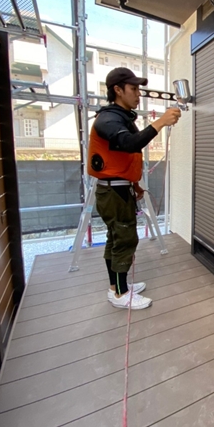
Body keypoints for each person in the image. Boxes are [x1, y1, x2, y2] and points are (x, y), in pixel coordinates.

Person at [87, 67, 181, 310]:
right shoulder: (108, 119)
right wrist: (160, 122)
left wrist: (134, 183)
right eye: (134, 89)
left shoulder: (120, 117)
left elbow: (123, 156)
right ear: (118, 90)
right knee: (124, 238)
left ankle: (116, 287)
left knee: (116, 238)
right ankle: (120, 294)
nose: (139, 94)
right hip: (113, 192)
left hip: (119, 187)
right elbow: (128, 143)